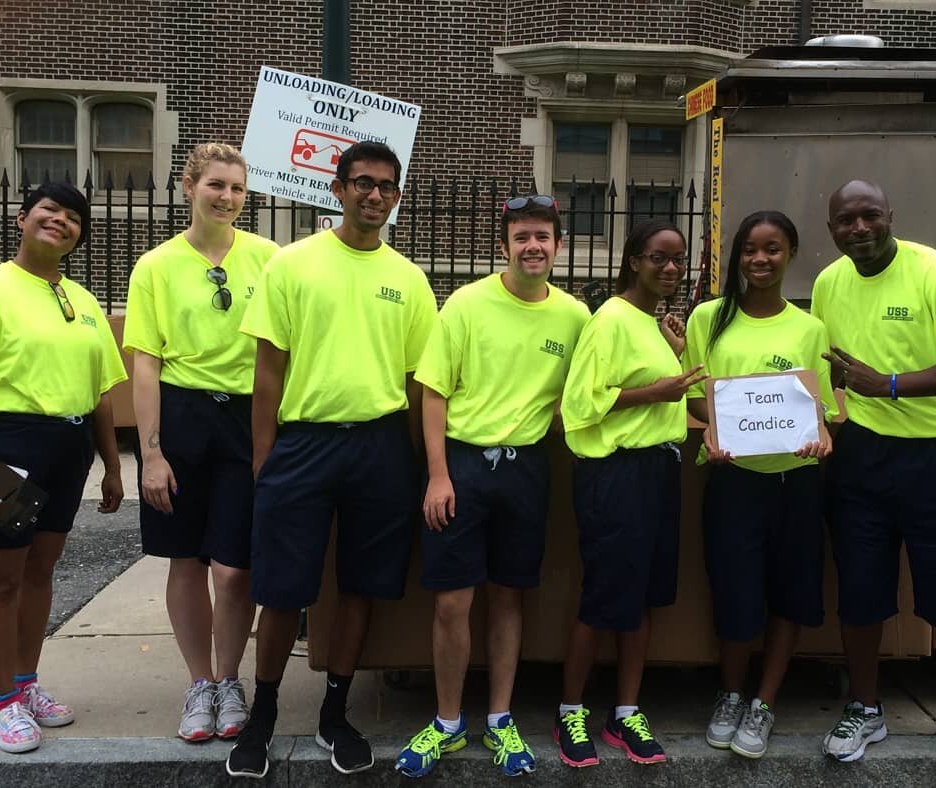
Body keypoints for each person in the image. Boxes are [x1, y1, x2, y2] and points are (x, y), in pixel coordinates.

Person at [225, 141, 436, 778]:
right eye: (363, 183)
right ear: (338, 189)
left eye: (387, 187)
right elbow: (269, 369)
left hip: (379, 445)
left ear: (397, 198)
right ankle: (262, 715)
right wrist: (265, 456)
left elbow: (420, 382)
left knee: (363, 585)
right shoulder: (292, 265)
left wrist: (423, 463)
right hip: (303, 443)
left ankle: (335, 712)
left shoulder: (409, 278)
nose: (375, 195)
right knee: (283, 587)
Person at [813, 180, 936, 776]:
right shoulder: (827, 284)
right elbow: (821, 366)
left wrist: (890, 384)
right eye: (846, 220)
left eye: (870, 215)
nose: (860, 228)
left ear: (891, 216)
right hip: (865, 454)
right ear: (832, 230)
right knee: (861, 587)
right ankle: (864, 706)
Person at [394, 195, 589, 779]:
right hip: (462, 465)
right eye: (522, 236)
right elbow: (434, 391)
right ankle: (449, 723)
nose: (534, 246)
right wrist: (437, 474)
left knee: (509, 596)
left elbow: (589, 385)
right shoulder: (466, 304)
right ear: (503, 245)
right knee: (453, 600)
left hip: (527, 468)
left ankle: (500, 720)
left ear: (558, 246)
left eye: (543, 237)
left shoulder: (575, 317)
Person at [0, 182, 126, 753]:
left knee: (42, 572)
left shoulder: (83, 299)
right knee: (1, 578)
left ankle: (26, 683)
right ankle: (3, 701)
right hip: (10, 447)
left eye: (74, 217)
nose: (61, 222)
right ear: (23, 218)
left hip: (69, 449)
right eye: (50, 210)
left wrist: (113, 467)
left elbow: (101, 393)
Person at [123, 143, 279, 742]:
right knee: (185, 557)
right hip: (182, 413)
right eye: (216, 185)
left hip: (246, 416)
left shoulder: (268, 259)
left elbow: (281, 351)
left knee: (234, 566)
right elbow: (145, 364)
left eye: (238, 189)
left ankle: (229, 676)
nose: (227, 198)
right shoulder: (155, 266)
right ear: (189, 187)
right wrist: (152, 453)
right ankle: (199, 684)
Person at [682, 211, 836, 759]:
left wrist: (820, 438)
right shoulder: (708, 318)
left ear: (791, 252)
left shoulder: (810, 327)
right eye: (749, 249)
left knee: (792, 593)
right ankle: (730, 694)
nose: (760, 260)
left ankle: (765, 700)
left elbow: (821, 410)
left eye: (772, 249)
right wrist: (715, 428)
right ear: (737, 256)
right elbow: (693, 394)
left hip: (795, 483)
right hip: (732, 479)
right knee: (735, 591)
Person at [553, 220, 706, 768]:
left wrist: (675, 355)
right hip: (616, 475)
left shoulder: (654, 323)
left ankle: (625, 712)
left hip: (659, 470)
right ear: (634, 260)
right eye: (658, 258)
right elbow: (580, 404)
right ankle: (571, 710)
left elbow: (678, 393)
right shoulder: (610, 319)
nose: (670, 269)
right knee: (604, 595)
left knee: (643, 596)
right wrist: (656, 393)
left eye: (678, 260)